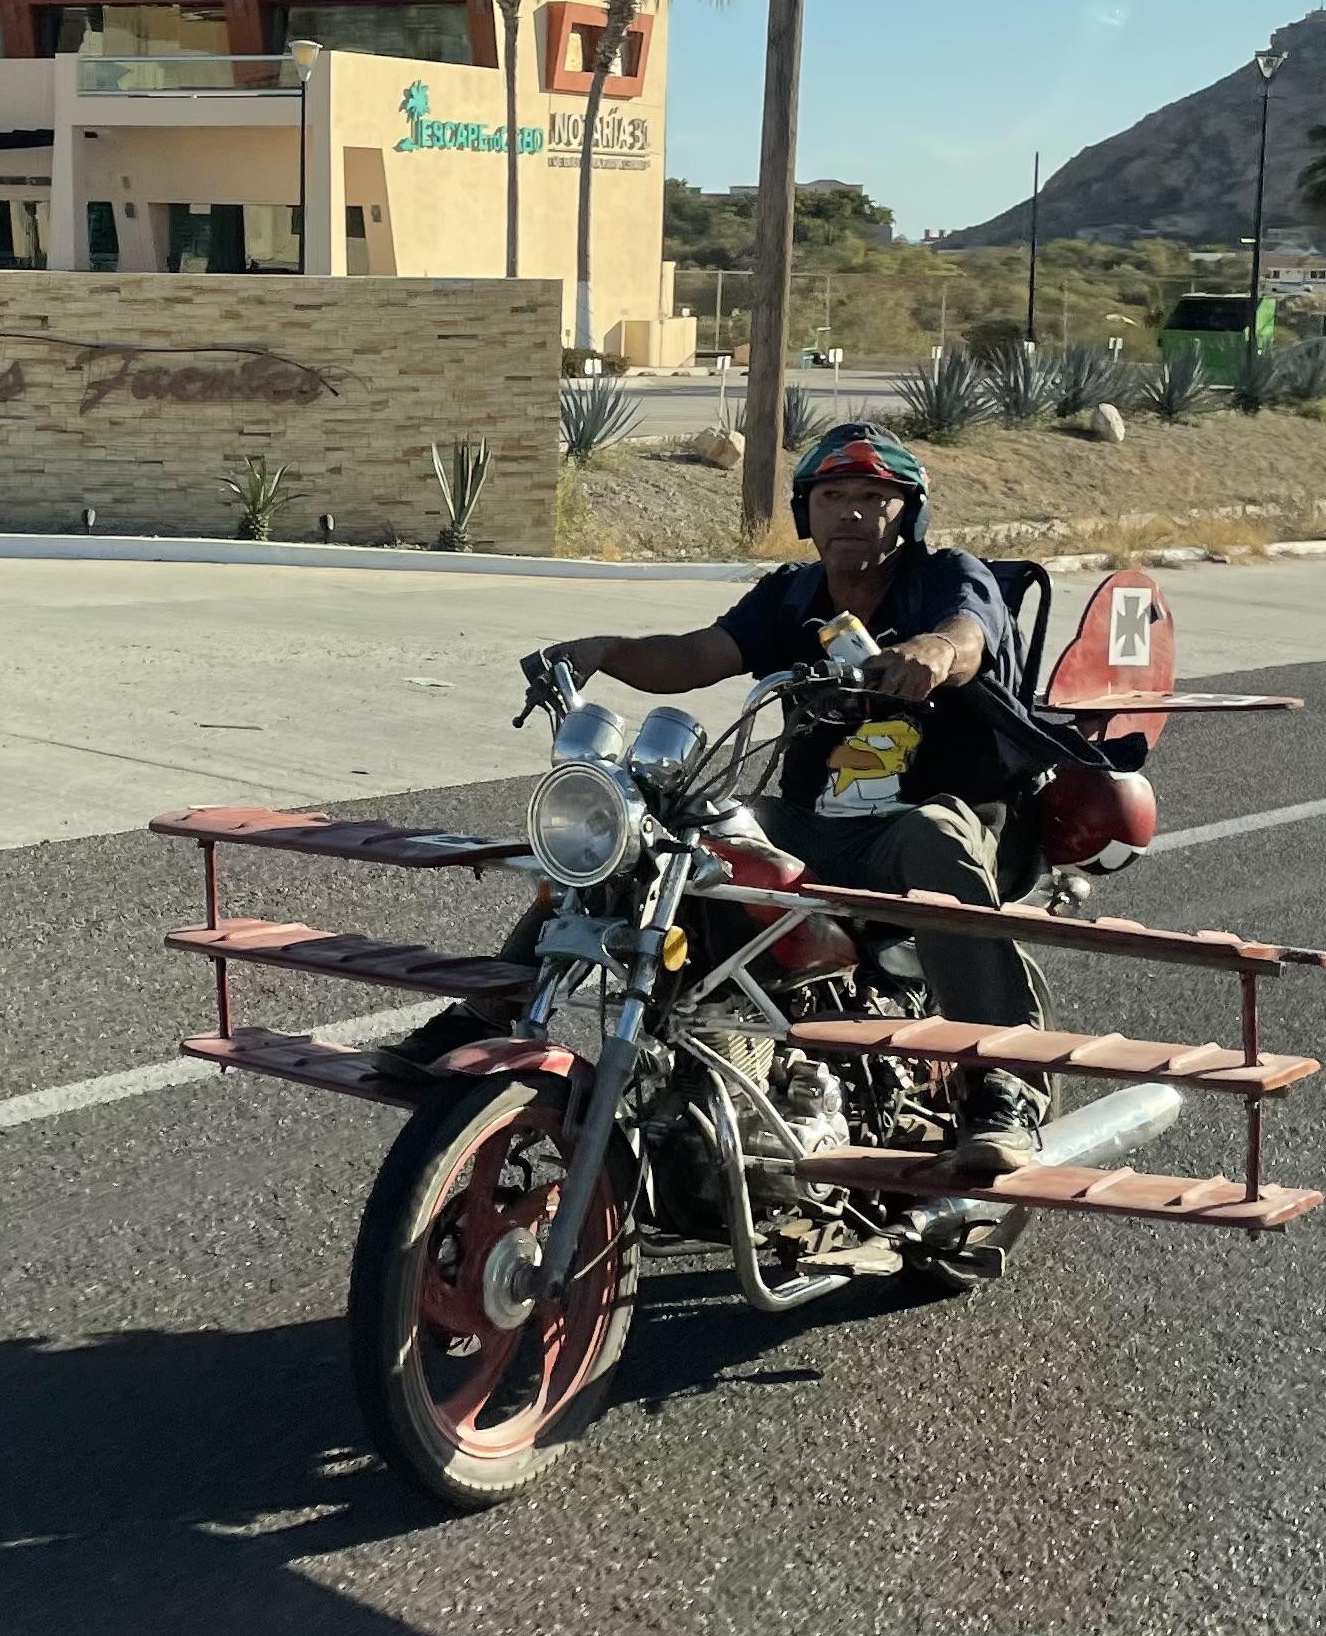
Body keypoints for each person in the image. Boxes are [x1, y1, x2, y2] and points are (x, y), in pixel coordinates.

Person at [380, 423, 1046, 1174]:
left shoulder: (947, 576)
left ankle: (1002, 1085)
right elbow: (698, 655)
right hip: (810, 824)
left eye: (874, 497)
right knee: (648, 827)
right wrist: (605, 650)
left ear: (908, 513)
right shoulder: (794, 595)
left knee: (934, 837)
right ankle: (489, 1010)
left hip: (927, 821)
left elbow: (968, 633)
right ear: (806, 511)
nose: (853, 511)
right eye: (832, 495)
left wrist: (934, 651)